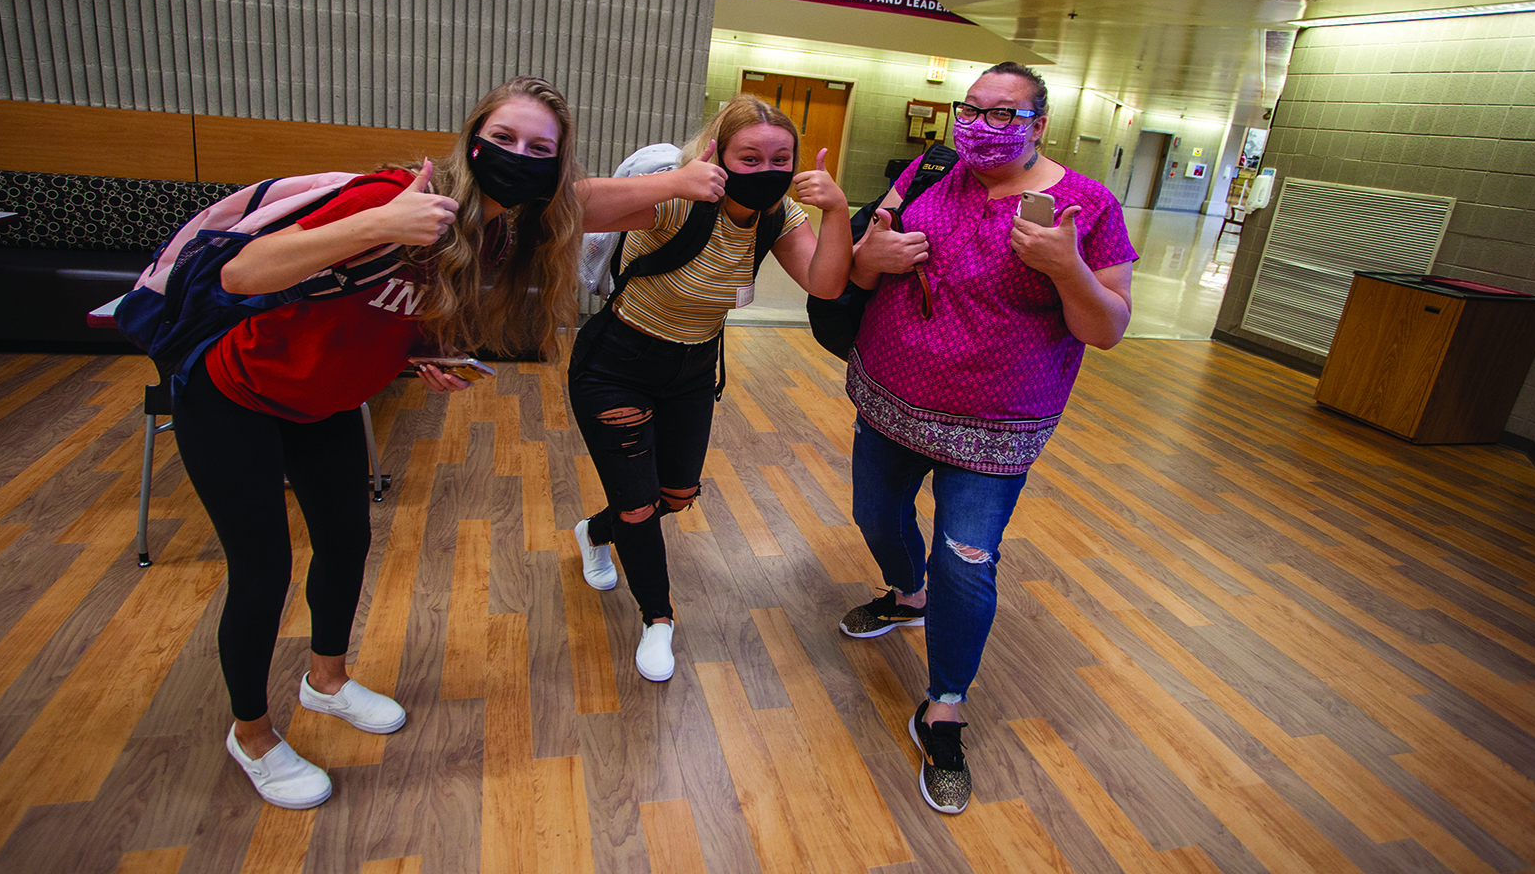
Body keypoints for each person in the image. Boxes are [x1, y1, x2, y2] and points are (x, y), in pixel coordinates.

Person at [175, 76, 721, 810]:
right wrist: (378, 225)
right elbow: (244, 273)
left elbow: (584, 206)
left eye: (539, 148)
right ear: (471, 139)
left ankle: (326, 681)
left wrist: (683, 181)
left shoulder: (504, 228)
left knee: (345, 543)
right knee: (264, 570)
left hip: (326, 402)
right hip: (233, 394)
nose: (518, 156)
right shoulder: (394, 197)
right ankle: (254, 737)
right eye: (504, 139)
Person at [835, 62, 1136, 815]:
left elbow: (1107, 330)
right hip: (893, 399)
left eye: (1005, 114)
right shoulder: (932, 170)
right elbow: (868, 258)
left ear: (1039, 124)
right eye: (973, 109)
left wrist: (1067, 270)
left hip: (996, 425)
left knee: (966, 564)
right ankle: (907, 597)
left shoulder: (1087, 205)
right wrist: (872, 257)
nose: (982, 125)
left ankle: (944, 708)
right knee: (875, 516)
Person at [568, 94, 852, 682]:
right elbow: (572, 208)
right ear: (719, 154)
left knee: (674, 495)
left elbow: (824, 287)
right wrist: (675, 177)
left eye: (780, 158)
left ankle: (594, 532)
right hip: (616, 364)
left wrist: (837, 211)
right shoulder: (679, 198)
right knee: (639, 503)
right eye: (749, 158)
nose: (766, 170)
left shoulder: (779, 216)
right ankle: (658, 620)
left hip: (693, 371)